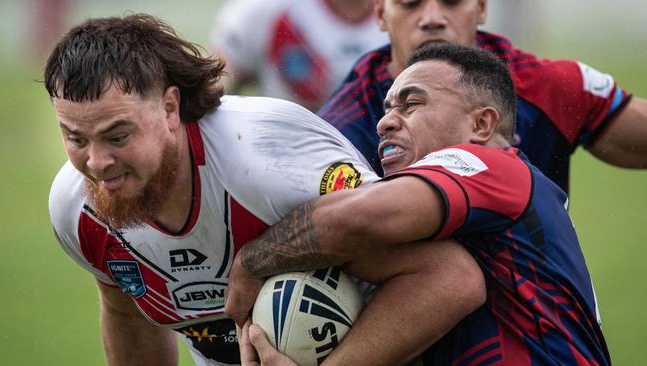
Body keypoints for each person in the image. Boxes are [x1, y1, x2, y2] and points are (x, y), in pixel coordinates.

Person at [46, 14, 483, 366]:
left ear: (169, 108)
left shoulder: (267, 162)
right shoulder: (76, 209)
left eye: (118, 136)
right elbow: (127, 312)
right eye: (76, 139)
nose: (97, 164)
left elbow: (449, 278)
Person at [226, 43, 610, 365]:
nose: (385, 123)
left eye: (411, 105)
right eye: (387, 109)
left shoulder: (493, 166)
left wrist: (251, 260)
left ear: (481, 126)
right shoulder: (461, 223)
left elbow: (358, 219)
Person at [319, 0, 647, 189]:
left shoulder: (546, 88)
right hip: (416, 300)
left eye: (452, 0)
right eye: (410, 2)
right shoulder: (341, 130)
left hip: (537, 308)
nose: (432, 18)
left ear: (481, 7)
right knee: (454, 274)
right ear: (379, 13)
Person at [209, 0, 388, 110]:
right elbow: (214, 90)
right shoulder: (263, 9)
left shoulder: (408, 12)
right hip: (279, 156)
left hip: (379, 158)